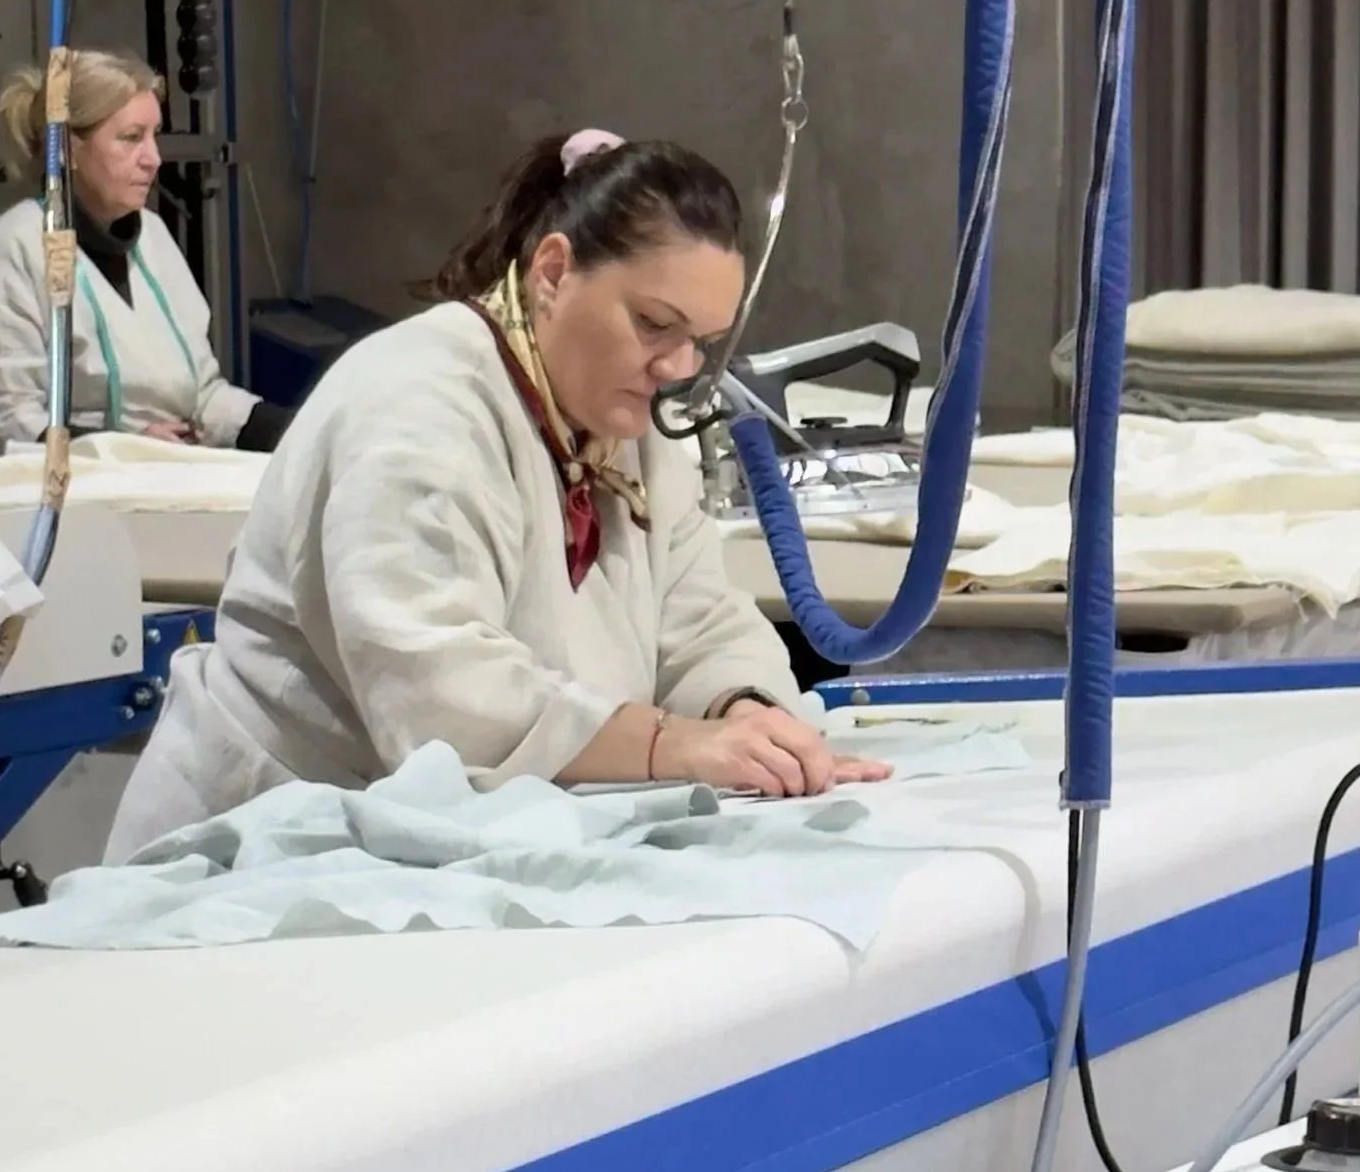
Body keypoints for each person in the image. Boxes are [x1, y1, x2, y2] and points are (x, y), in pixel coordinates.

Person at [106, 127, 886, 855]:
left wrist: (747, 715)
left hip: (429, 847)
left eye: (701, 344)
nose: (679, 368)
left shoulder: (629, 429)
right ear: (553, 272)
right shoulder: (416, 404)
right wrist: (673, 745)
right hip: (263, 845)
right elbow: (438, 689)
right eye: (654, 324)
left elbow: (700, 619)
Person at [0, 49, 293, 453]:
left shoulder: (153, 236)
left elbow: (203, 396)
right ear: (66, 149)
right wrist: (122, 449)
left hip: (167, 475)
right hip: (74, 488)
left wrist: (293, 431)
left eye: (155, 135)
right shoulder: (14, 248)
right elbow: (0, 419)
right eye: (131, 138)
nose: (153, 159)